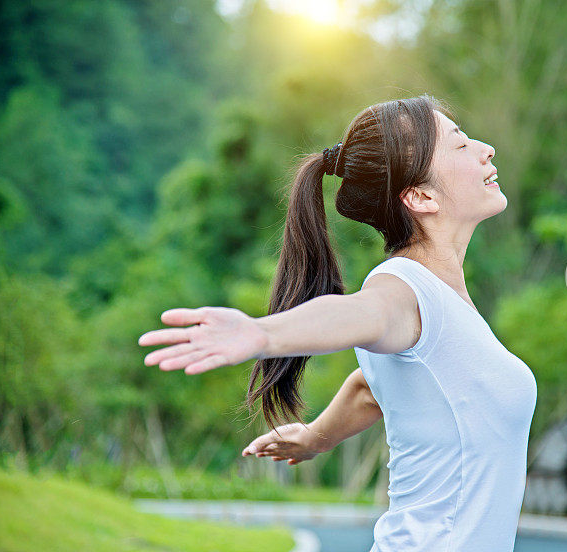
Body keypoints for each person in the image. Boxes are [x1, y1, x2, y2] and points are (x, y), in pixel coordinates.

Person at [138, 94, 537, 551]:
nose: (485, 148)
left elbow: (372, 389)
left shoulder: (444, 301)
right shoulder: (402, 289)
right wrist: (264, 333)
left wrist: (314, 437)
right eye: (460, 145)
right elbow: (358, 314)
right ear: (421, 196)